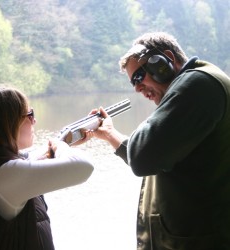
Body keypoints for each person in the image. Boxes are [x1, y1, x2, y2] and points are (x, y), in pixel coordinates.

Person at [83, 32, 230, 249]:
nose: (137, 88)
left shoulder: (198, 84)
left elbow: (143, 157)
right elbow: (155, 156)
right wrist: (109, 134)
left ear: (164, 62)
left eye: (138, 77)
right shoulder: (197, 86)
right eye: (133, 82)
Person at [0, 86, 94, 250]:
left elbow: (27, 159)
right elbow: (84, 166)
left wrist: (63, 144)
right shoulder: (7, 174)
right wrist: (61, 146)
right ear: (8, 122)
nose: (35, 121)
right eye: (30, 114)